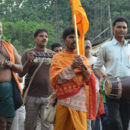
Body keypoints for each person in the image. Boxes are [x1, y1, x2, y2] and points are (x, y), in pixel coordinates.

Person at [50, 27, 97, 130]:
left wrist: (84, 68)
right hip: (64, 102)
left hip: (80, 103)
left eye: (76, 37)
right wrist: (72, 67)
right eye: (71, 37)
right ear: (64, 40)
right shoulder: (58, 57)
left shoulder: (82, 58)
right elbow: (56, 79)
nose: (74, 40)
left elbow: (90, 79)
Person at [93, 17, 130, 130]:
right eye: (118, 27)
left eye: (124, 27)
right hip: (111, 88)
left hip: (128, 89)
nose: (121, 30)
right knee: (115, 121)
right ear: (113, 29)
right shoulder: (105, 47)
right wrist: (101, 77)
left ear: (127, 30)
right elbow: (96, 67)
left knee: (125, 122)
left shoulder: (129, 48)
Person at [19, 28, 54, 130]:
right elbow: (21, 74)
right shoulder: (27, 53)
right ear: (35, 39)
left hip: (48, 95)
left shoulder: (53, 55)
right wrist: (28, 62)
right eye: (41, 36)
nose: (44, 38)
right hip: (31, 96)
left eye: (46, 36)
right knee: (30, 126)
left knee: (47, 126)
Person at [0, 22, 23, 130]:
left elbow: (21, 67)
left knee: (4, 122)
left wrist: (11, 64)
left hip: (6, 89)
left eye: (0, 27)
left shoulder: (8, 46)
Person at [84, 38, 105, 130]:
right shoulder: (79, 60)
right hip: (82, 94)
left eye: (89, 43)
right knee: (86, 119)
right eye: (85, 44)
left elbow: (104, 75)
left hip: (95, 93)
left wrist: (100, 84)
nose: (87, 45)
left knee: (93, 117)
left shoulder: (97, 60)